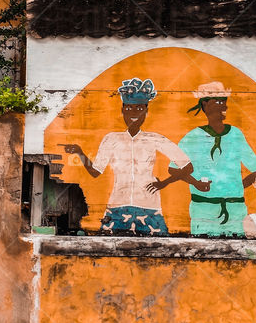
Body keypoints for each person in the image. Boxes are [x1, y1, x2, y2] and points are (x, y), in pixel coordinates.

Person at [63, 77, 193, 236]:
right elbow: (96, 172)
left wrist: (164, 183)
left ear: (146, 111)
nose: (134, 113)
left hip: (149, 208)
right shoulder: (111, 139)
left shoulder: (154, 139)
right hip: (117, 206)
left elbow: (187, 166)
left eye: (139, 109)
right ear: (122, 109)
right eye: (129, 108)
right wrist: (79, 152)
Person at [153, 81, 256, 236]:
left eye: (224, 102)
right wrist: (196, 183)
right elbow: (173, 169)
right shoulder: (193, 136)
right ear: (205, 105)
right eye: (218, 102)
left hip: (235, 209)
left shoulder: (236, 134)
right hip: (203, 209)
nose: (224, 107)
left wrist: (234, 188)